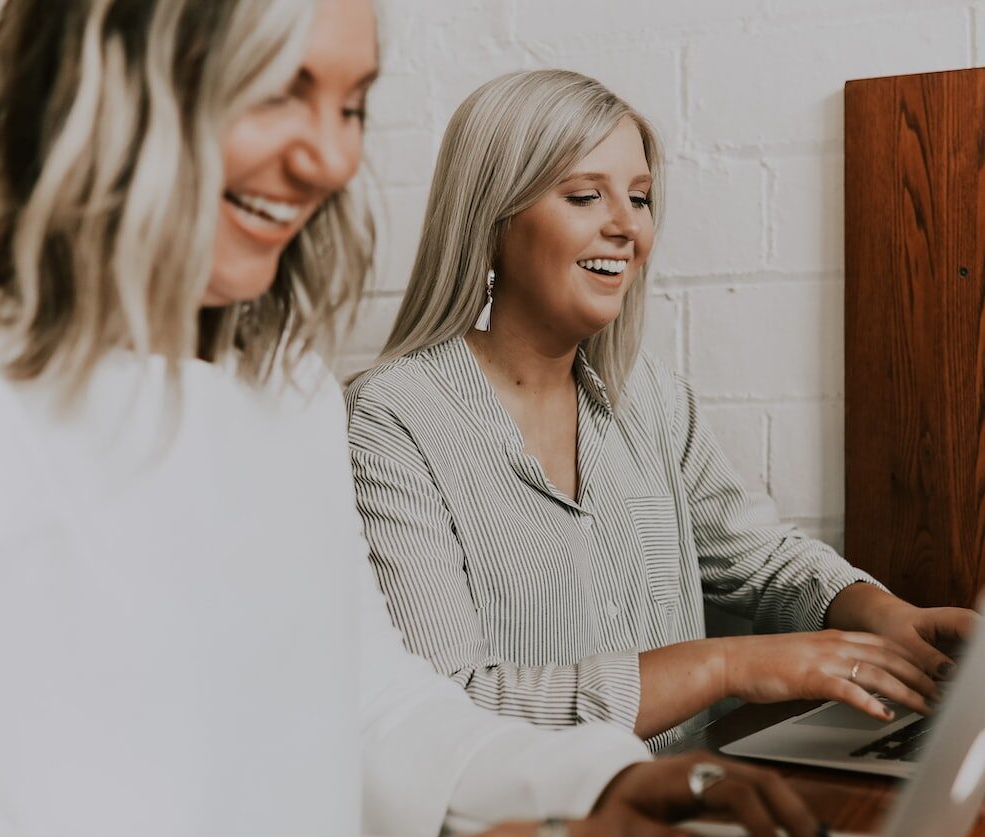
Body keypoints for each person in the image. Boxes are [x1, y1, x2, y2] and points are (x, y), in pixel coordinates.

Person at [0, 7, 821, 837]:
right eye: (276, 90)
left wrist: (589, 782)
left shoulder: (282, 377)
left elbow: (374, 700)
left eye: (351, 103)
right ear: (110, 71)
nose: (331, 154)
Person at [345, 69, 978, 752]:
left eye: (640, 198)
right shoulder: (391, 419)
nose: (627, 226)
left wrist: (885, 616)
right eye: (585, 195)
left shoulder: (648, 398)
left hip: (697, 804)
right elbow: (452, 703)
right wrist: (728, 665)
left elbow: (759, 558)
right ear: (493, 221)